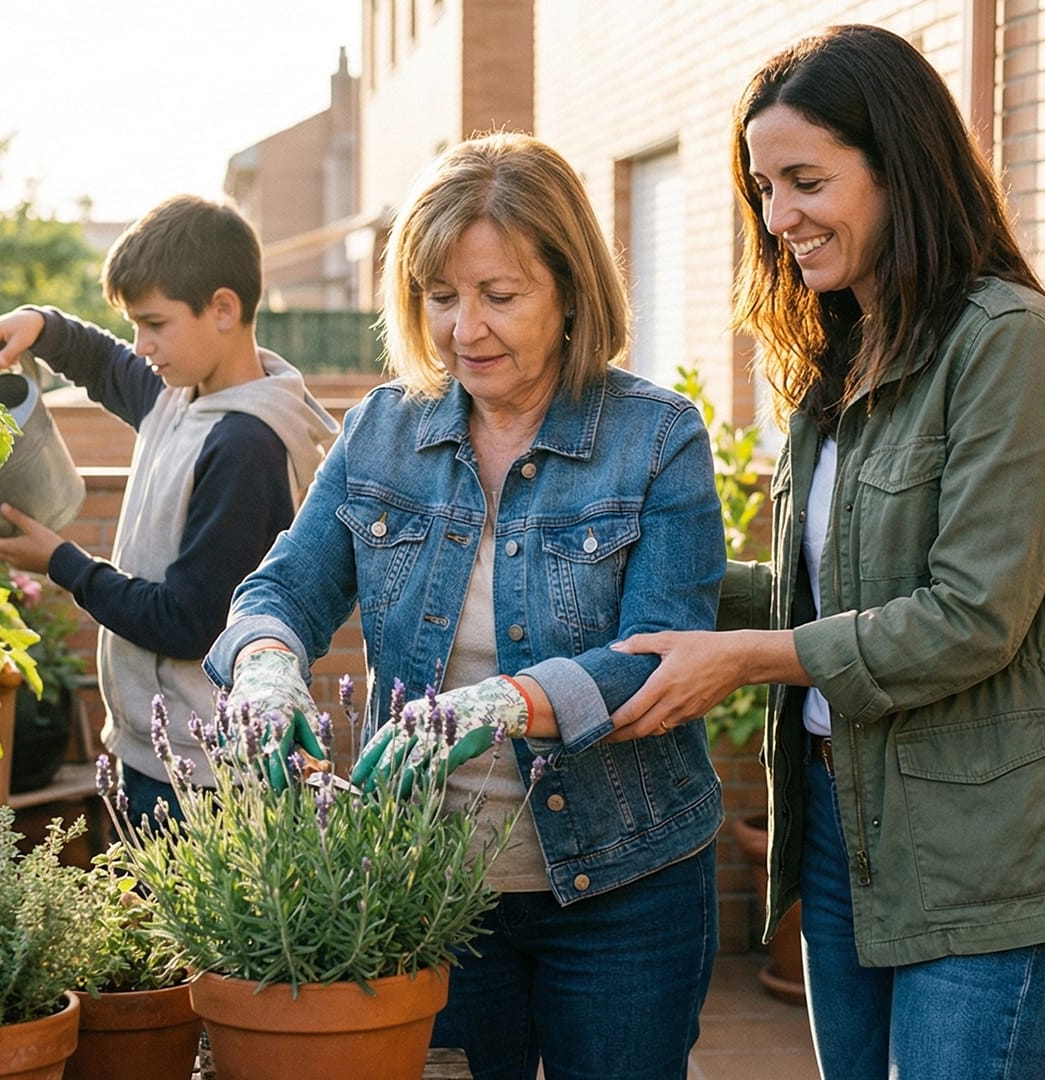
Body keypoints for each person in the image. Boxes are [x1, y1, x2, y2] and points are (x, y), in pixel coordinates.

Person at [609, 25, 1045, 1080]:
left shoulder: (1007, 343)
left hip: (993, 849)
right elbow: (829, 593)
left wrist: (747, 660)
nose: (779, 217)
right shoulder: (843, 353)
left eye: (806, 180)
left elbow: (970, 614)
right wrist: (648, 567)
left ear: (901, 167)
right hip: (848, 830)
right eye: (764, 187)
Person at [204, 132, 726, 1080]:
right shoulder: (381, 432)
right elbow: (280, 588)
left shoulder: (656, 438)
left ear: (571, 288)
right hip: (431, 890)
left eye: (500, 295)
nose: (464, 330)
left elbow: (661, 656)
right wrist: (267, 666)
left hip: (624, 888)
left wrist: (499, 705)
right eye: (440, 297)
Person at [0, 194, 339, 825]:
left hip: (204, 778)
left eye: (154, 323)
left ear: (223, 308)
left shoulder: (246, 445)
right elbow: (102, 362)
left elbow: (190, 623)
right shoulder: (181, 393)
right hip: (158, 755)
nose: (139, 344)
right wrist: (40, 323)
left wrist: (62, 563)